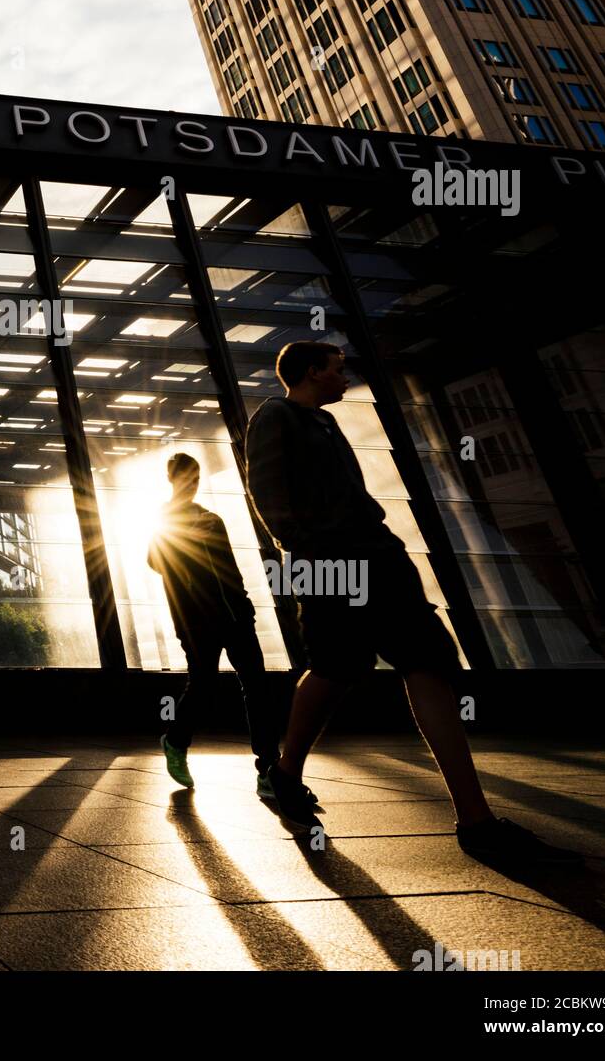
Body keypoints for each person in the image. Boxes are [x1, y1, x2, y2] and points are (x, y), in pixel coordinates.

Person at [244, 340, 579, 863]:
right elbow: (267, 495)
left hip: (378, 554)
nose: (345, 376)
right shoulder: (276, 416)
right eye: (337, 369)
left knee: (427, 662)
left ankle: (475, 820)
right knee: (335, 669)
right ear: (312, 372)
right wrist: (310, 549)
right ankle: (285, 774)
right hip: (331, 561)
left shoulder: (326, 423)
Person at [147, 452, 314, 812]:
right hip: (197, 621)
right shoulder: (163, 520)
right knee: (204, 683)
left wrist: (244, 603)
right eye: (185, 479)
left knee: (256, 685)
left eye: (195, 478)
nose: (191, 485)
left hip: (235, 615)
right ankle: (176, 740)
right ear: (172, 480)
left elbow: (230, 568)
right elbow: (155, 561)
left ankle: (268, 767)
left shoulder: (213, 519)